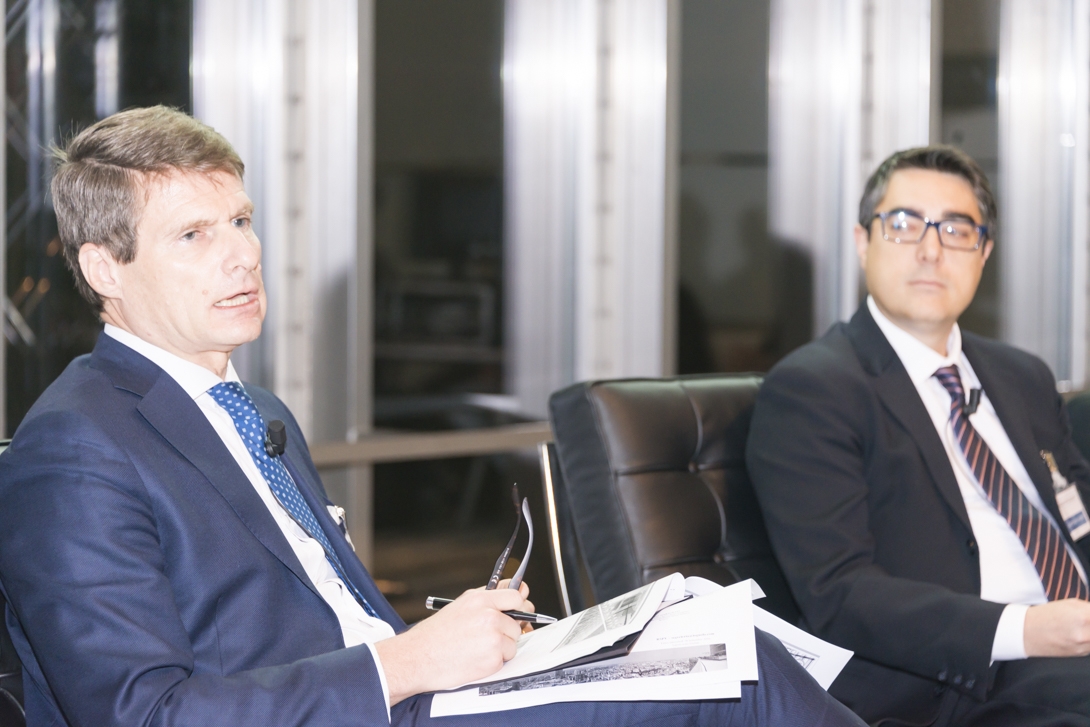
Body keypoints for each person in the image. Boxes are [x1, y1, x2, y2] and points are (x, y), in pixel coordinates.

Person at [0, 107, 861, 727]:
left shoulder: (252, 409)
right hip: (386, 703)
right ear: (104, 269)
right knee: (740, 676)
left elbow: (334, 616)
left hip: (413, 695)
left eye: (242, 220)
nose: (243, 254)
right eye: (194, 235)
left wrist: (457, 637)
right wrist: (408, 661)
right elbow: (143, 712)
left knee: (717, 634)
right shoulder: (75, 446)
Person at [747, 145, 1090, 726]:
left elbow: (1078, 513)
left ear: (984, 252)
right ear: (863, 242)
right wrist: (1026, 629)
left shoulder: (1023, 377)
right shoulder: (813, 388)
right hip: (958, 679)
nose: (931, 250)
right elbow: (838, 591)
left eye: (956, 230)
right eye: (905, 224)